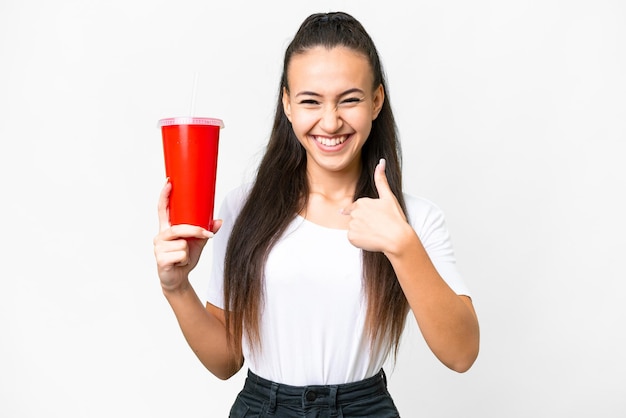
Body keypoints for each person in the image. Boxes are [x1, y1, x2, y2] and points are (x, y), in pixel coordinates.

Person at [153, 11, 479, 417]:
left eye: (350, 100)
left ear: (376, 101)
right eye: (311, 101)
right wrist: (177, 287)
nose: (330, 121)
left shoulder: (414, 219)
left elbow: (461, 354)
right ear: (287, 104)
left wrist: (402, 246)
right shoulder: (245, 208)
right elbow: (226, 361)